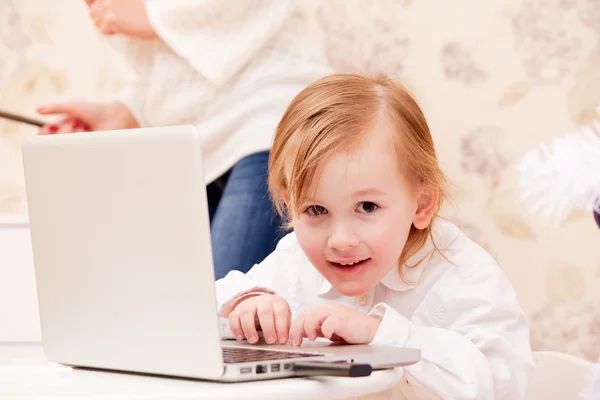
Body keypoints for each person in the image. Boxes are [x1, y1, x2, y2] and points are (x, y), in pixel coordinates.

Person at [215, 74, 533, 399]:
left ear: (422, 204)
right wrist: (245, 304)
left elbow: (501, 384)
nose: (340, 240)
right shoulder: (294, 259)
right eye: (315, 210)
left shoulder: (466, 275)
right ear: (290, 206)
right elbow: (196, 313)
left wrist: (382, 335)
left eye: (367, 207)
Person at [36, 0, 332, 279]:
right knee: (184, 307)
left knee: (222, 310)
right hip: (199, 151)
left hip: (267, 125)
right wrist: (121, 112)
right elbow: (165, 69)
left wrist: (155, 14)